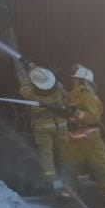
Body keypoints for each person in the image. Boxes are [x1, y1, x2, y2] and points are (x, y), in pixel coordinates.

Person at [62, 64, 105, 198]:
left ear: (83, 81)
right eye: (74, 78)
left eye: (76, 79)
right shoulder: (73, 95)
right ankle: (69, 192)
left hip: (89, 137)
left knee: (99, 164)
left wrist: (76, 112)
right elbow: (66, 109)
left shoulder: (89, 97)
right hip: (74, 135)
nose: (73, 81)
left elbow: (94, 118)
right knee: (69, 163)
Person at [16, 58, 69, 194]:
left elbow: (24, 88)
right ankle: (70, 180)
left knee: (46, 155)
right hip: (60, 124)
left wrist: (29, 74)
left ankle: (53, 183)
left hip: (42, 126)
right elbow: (67, 97)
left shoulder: (31, 92)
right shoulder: (58, 87)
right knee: (65, 153)